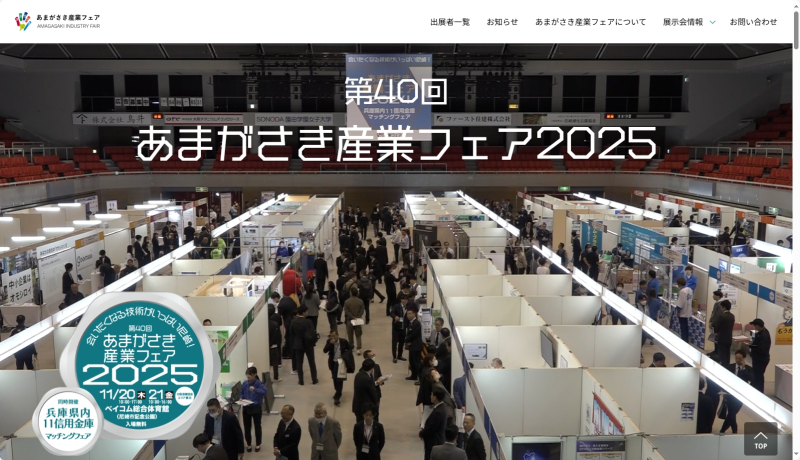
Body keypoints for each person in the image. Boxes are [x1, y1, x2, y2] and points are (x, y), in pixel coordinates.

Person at [720, 350, 752, 433]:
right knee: (731, 413)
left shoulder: (747, 369)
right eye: (736, 358)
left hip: (740, 395)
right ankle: (731, 430)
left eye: (740, 358)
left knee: (732, 413)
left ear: (743, 359)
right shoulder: (730, 367)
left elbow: (752, 378)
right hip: (730, 395)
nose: (737, 360)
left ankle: (727, 430)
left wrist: (744, 368)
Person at [290, 306, 319, 385]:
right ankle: (314, 379)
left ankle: (301, 380)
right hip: (308, 344)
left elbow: (291, 334)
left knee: (299, 363)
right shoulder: (308, 322)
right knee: (311, 362)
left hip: (298, 344)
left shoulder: (293, 322)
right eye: (306, 311)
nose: (307, 313)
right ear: (303, 312)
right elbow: (312, 332)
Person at [241, 367, 267, 452]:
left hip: (256, 408)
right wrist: (241, 398)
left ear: (255, 374)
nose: (248, 376)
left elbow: (264, 391)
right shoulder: (245, 383)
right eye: (247, 375)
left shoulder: (259, 383)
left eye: (250, 375)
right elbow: (241, 393)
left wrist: (255, 390)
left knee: (257, 426)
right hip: (246, 407)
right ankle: (248, 444)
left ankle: (258, 444)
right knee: (247, 427)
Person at [419, 387, 448, 460]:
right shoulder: (441, 407)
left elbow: (431, 427)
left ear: (435, 397)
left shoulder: (438, 412)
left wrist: (422, 433)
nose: (430, 396)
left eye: (431, 395)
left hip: (434, 442)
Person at [323, 330, 351, 406]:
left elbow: (350, 349)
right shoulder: (329, 342)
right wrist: (330, 344)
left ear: (338, 335)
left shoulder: (343, 341)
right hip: (333, 363)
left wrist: (344, 356)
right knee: (335, 378)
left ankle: (337, 396)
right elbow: (325, 351)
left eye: (334, 336)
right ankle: (337, 391)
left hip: (341, 363)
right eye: (331, 336)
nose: (333, 337)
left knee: (340, 379)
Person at [353, 359, 380, 424]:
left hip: (357, 405)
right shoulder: (368, 379)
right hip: (366, 408)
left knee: (359, 423)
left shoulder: (358, 375)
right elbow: (373, 394)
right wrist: (376, 403)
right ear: (371, 368)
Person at [749, 318, 771, 393]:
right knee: (757, 376)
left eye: (754, 326)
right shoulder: (763, 332)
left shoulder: (763, 335)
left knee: (758, 377)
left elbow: (762, 349)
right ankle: (756, 389)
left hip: (760, 359)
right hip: (759, 358)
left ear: (758, 326)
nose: (754, 327)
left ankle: (759, 391)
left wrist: (751, 347)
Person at [713, 300, 735, 366]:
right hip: (729, 338)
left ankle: (723, 367)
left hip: (721, 339)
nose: (720, 308)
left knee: (722, 356)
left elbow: (717, 328)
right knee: (727, 354)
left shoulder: (722, 316)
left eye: (721, 307)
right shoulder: (732, 316)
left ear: (724, 307)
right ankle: (727, 367)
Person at [344, 286, 365, 353]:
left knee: (350, 335)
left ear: (350, 293)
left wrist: (352, 317)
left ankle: (351, 347)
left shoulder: (347, 301)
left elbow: (346, 311)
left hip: (350, 320)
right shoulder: (360, 301)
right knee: (358, 335)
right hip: (358, 320)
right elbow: (362, 310)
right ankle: (358, 348)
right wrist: (358, 316)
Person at [405, 307, 424, 380]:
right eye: (407, 314)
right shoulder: (411, 323)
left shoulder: (416, 323)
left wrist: (406, 340)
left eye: (410, 314)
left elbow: (414, 334)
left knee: (416, 363)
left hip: (416, 346)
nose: (408, 315)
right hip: (412, 346)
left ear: (414, 314)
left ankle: (420, 378)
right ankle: (414, 375)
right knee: (412, 362)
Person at [675, 277, 693, 343]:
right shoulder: (690, 289)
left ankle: (684, 340)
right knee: (686, 326)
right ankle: (686, 339)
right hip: (688, 309)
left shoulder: (682, 291)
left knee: (683, 327)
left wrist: (678, 311)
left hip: (683, 311)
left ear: (679, 284)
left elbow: (680, 302)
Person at [269, 309, 282, 382]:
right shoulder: (275, 324)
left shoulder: (263, 324)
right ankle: (276, 377)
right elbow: (276, 336)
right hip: (273, 345)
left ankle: (266, 378)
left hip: (265, 346)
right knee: (275, 362)